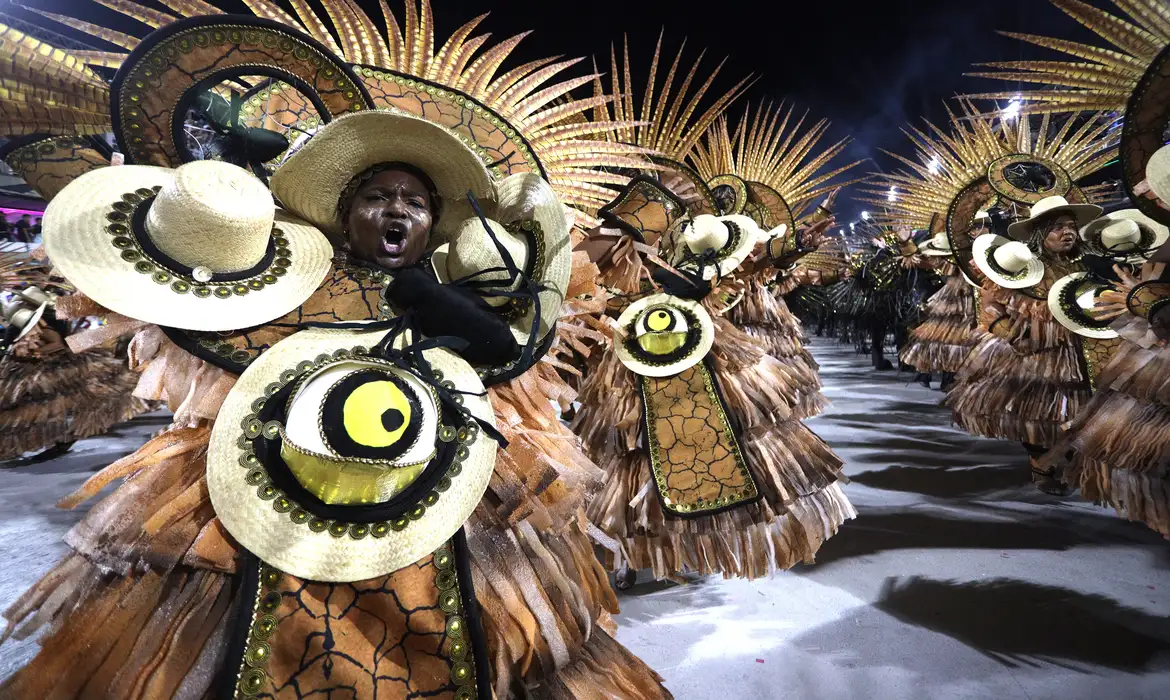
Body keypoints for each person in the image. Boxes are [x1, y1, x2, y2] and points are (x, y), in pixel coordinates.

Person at [2, 111, 669, 700]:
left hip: (438, 490)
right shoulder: (284, 280)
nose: (398, 210)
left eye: (414, 200)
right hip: (275, 484)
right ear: (346, 214)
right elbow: (204, 322)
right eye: (378, 197)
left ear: (434, 221)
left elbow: (505, 352)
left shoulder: (445, 289)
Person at [946, 196, 1110, 494]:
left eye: (1071, 226)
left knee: (1078, 411)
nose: (1067, 232)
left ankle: (1063, 460)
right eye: (1057, 227)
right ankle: (1041, 463)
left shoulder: (1083, 265)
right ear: (1039, 233)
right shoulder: (1022, 268)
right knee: (1039, 412)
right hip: (1032, 353)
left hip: (1078, 350)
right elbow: (991, 308)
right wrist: (1013, 338)